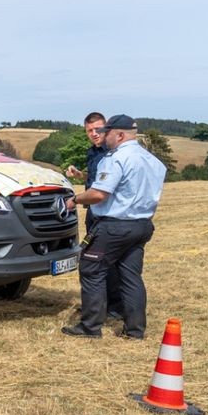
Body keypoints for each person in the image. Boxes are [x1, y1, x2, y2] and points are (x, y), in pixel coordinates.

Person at [62, 115, 165, 340]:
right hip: (142, 225)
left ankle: (90, 326)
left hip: (114, 226)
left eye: (106, 132)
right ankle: (135, 330)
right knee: (131, 276)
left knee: (91, 268)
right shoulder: (152, 160)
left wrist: (76, 200)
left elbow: (99, 193)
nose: (102, 136)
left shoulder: (115, 158)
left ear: (119, 135)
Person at [65, 112, 123, 319]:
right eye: (89, 131)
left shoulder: (112, 152)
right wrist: (80, 175)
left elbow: (105, 188)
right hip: (93, 212)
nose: (94, 134)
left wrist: (77, 199)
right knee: (96, 260)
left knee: (106, 261)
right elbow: (98, 178)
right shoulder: (93, 152)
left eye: (98, 129)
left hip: (107, 213)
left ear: (106, 128)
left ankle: (115, 308)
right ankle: (99, 304)